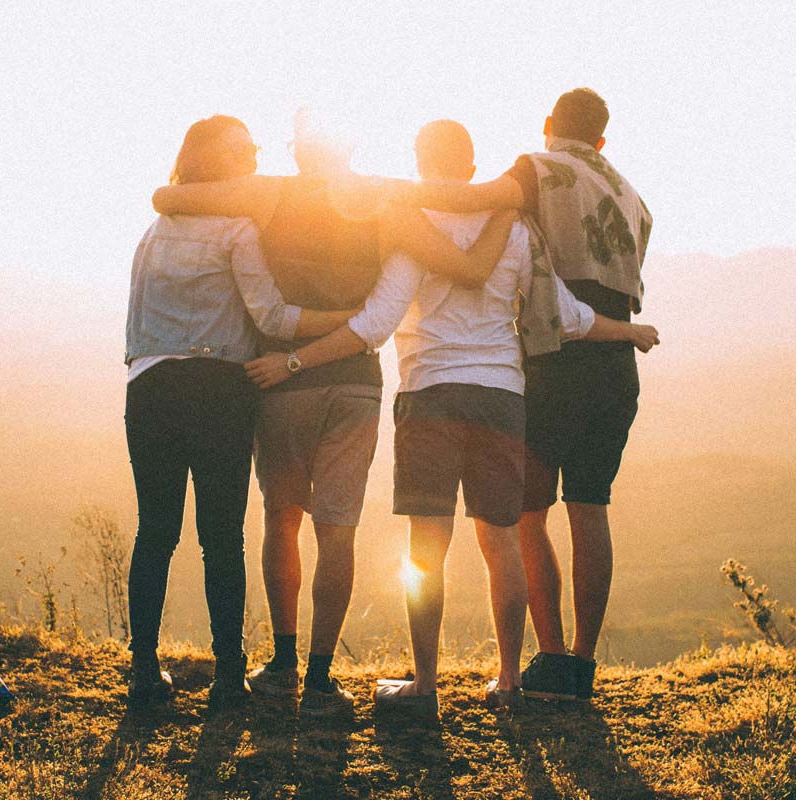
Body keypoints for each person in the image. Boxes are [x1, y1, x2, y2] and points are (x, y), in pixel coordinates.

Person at [245, 119, 658, 717]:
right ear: (471, 168)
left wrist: (294, 360)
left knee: (426, 548)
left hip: (430, 394)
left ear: (420, 162)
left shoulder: (412, 226)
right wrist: (632, 332)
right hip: (502, 398)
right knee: (502, 542)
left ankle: (425, 686)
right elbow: (567, 315)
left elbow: (376, 324)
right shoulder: (515, 229)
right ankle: (511, 680)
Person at [151, 115, 518, 717]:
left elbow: (169, 196)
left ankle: (283, 662)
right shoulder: (383, 198)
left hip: (281, 380)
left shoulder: (269, 191)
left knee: (282, 518)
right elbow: (459, 249)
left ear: (299, 150)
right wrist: (505, 203)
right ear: (351, 146)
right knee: (338, 529)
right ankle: (321, 679)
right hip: (356, 381)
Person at [394, 89, 655, 702]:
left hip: (554, 359)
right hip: (614, 361)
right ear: (603, 140)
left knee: (525, 517)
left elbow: (473, 199)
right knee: (591, 508)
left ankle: (550, 657)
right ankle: (581, 668)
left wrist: (385, 194)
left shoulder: (537, 169)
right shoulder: (633, 196)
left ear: (547, 127)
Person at [124, 115, 358, 711]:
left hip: (149, 387)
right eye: (243, 149)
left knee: (155, 531)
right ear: (216, 161)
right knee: (221, 538)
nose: (254, 156)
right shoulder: (237, 229)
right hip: (218, 390)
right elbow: (274, 319)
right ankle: (229, 677)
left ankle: (144, 673)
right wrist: (349, 322)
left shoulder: (153, 232)